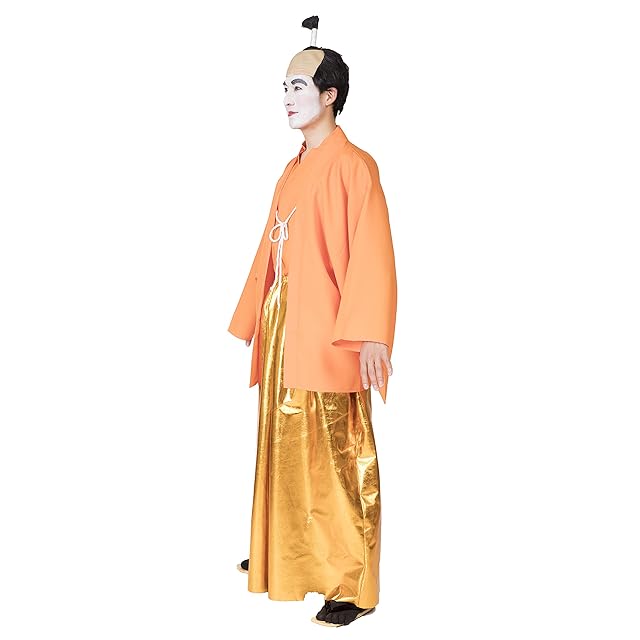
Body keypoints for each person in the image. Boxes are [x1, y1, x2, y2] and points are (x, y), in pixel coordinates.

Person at [228, 15, 397, 628]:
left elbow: (373, 251)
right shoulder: (293, 167)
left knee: (336, 452)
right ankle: (286, 551)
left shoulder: (355, 165)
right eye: (284, 87)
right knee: (283, 439)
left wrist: (372, 334)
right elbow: (270, 247)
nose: (287, 96)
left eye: (299, 86)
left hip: (330, 332)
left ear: (330, 95)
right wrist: (254, 315)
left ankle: (352, 581)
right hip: (284, 328)